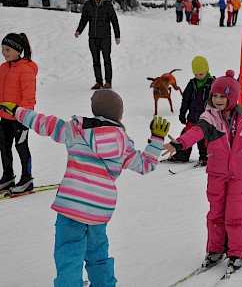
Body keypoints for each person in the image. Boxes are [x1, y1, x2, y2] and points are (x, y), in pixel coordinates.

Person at [0, 90, 170, 286]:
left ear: (94, 110)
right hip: (99, 211)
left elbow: (44, 123)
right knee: (98, 254)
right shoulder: (122, 143)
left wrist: (18, 111)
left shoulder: (75, 130)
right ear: (119, 116)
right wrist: (157, 138)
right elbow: (145, 165)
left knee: (69, 255)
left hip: (71, 206)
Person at [163, 70, 242, 273]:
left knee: (235, 214)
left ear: (232, 97)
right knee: (215, 214)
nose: (218, 99)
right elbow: (196, 131)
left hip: (238, 174)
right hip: (216, 174)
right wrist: (179, 144)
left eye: (223, 96)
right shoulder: (209, 117)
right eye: (215, 95)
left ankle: (236, 252)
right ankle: (215, 250)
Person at [0, 33, 37, 194]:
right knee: (4, 146)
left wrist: (25, 118)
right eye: (2, 49)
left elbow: (29, 97)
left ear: (18, 50)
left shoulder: (25, 69)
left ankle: (27, 178)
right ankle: (8, 176)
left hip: (20, 118)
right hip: (4, 117)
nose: (4, 53)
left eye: (8, 49)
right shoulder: (3, 68)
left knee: (21, 146)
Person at [168, 56, 215, 165]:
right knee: (186, 135)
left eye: (201, 74)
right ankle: (181, 156)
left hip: (206, 119)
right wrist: (182, 113)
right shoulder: (192, 84)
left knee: (203, 140)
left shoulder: (212, 83)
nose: (198, 76)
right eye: (196, 74)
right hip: (193, 118)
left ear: (207, 70)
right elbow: (186, 100)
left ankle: (205, 158)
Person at [75, 0, 120, 90]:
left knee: (106, 60)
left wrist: (117, 36)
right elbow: (84, 19)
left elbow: (114, 21)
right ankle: (98, 82)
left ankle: (108, 82)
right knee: (96, 61)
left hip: (105, 37)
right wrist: (79, 31)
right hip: (93, 37)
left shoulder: (107, 4)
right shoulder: (88, 5)